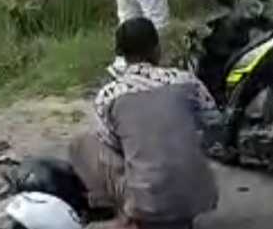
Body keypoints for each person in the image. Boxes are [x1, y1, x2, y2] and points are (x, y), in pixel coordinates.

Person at [69, 17, 218, 228]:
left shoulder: (109, 95)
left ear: (120, 55)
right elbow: (213, 120)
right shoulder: (186, 80)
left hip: (149, 206)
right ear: (157, 48)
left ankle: (125, 214)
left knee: (81, 144)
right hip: (199, 199)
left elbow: (112, 144)